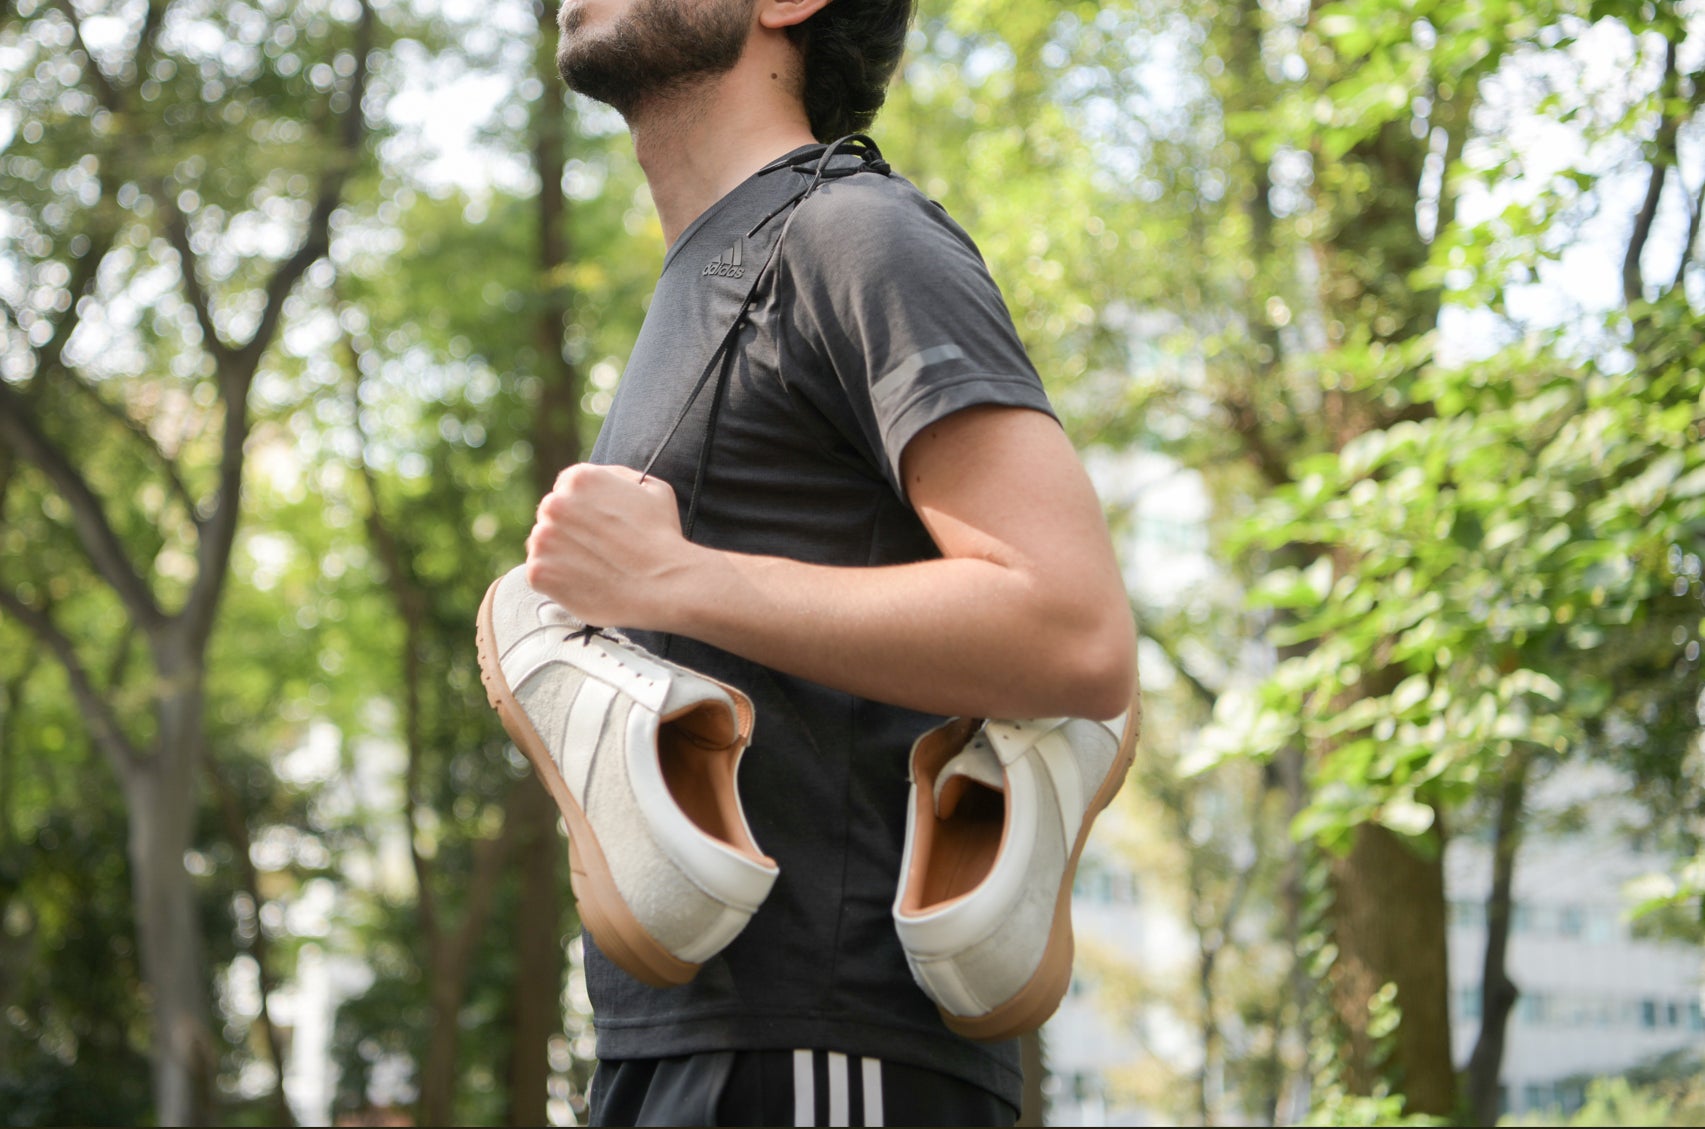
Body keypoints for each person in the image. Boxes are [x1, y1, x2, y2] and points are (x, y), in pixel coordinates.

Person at [497, 0, 1138, 1122]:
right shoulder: (714, 272)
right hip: (677, 1048)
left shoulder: (857, 235)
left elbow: (1073, 631)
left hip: (827, 1050)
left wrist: (675, 577)